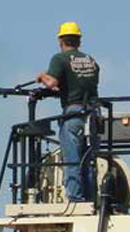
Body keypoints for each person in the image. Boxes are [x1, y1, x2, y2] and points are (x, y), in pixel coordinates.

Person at [37, 22, 100, 203]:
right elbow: (81, 83)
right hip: (93, 114)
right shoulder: (91, 60)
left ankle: (75, 198)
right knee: (88, 160)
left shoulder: (60, 59)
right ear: (79, 41)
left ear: (61, 41)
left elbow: (51, 83)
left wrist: (42, 76)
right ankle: (91, 199)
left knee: (72, 159)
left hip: (74, 113)